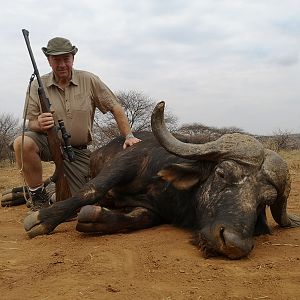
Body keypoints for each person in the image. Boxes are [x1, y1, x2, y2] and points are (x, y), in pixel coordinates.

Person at [13, 36, 141, 211]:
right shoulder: (37, 85)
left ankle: (50, 190)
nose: (62, 64)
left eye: (66, 59)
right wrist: (39, 123)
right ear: (49, 61)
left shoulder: (89, 79)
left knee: (86, 202)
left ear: (73, 58)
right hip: (49, 144)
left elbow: (115, 107)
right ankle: (37, 195)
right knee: (22, 142)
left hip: (77, 152)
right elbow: (31, 123)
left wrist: (129, 136)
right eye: (56, 59)